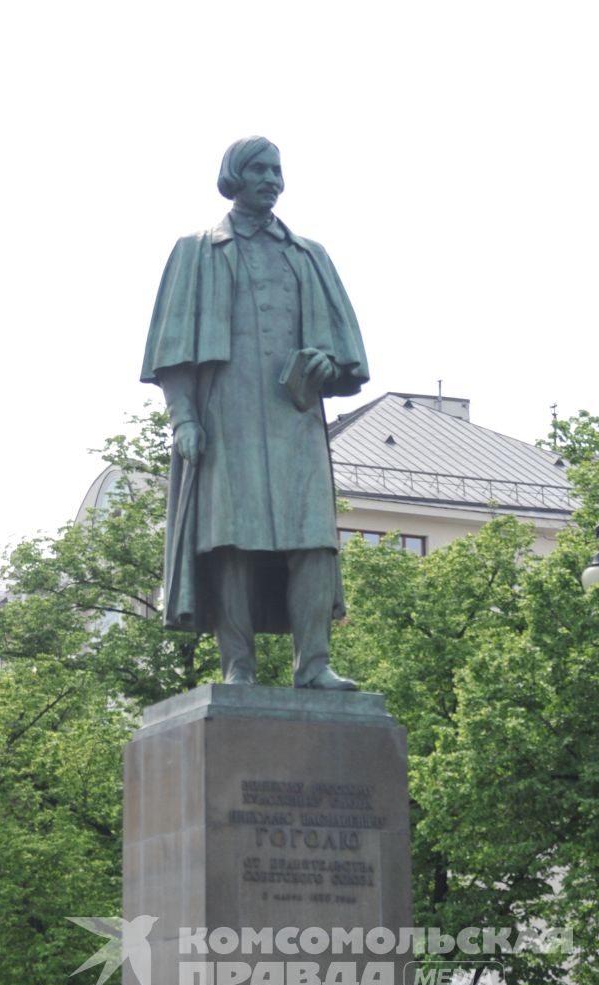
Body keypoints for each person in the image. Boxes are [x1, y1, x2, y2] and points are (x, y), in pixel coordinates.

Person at [142, 137, 369, 691]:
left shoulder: (308, 254)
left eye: (278, 170)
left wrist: (327, 362)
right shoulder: (197, 250)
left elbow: (349, 360)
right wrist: (184, 420)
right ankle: (237, 667)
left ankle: (313, 664)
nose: (272, 179)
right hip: (228, 416)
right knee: (233, 541)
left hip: (294, 420)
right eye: (260, 170)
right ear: (234, 177)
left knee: (314, 540)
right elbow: (171, 350)